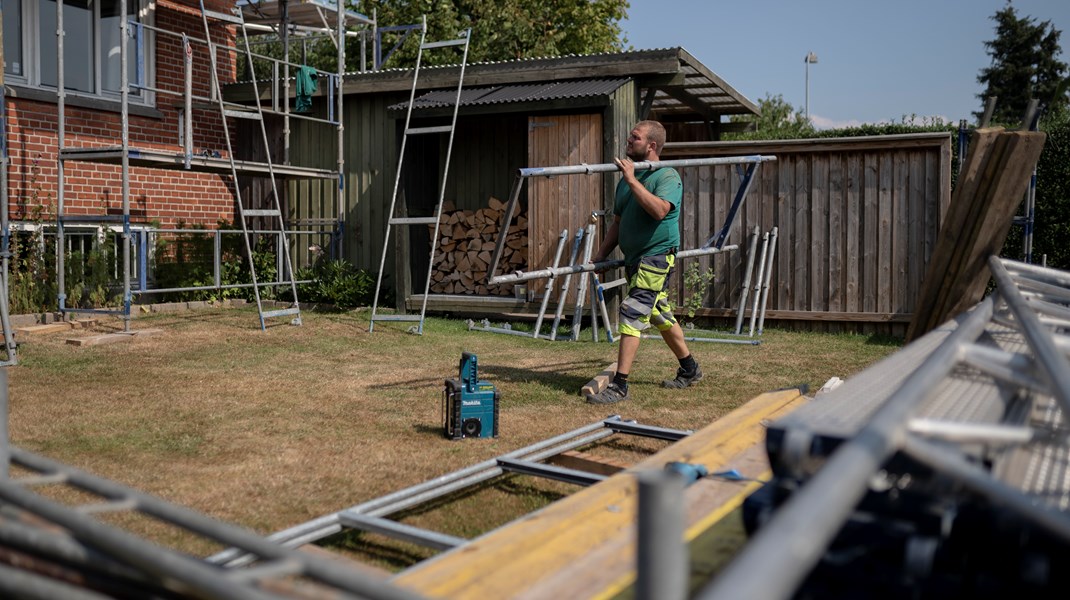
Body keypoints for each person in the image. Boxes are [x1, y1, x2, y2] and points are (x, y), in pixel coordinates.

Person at [585, 120, 702, 404]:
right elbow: (618, 223)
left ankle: (620, 385)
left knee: (632, 311)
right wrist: (601, 256)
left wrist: (632, 180)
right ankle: (690, 369)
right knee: (659, 313)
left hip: (657, 255)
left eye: (634, 138)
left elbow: (660, 210)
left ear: (651, 146)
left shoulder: (667, 176)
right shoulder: (627, 182)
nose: (628, 141)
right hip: (635, 259)